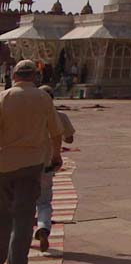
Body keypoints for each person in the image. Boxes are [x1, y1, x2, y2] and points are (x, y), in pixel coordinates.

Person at [0, 60, 61, 264]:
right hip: (31, 164)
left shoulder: (4, 97)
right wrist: (56, 156)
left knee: (3, 215)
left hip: (4, 164)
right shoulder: (43, 98)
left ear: (14, 76)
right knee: (24, 218)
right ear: (35, 77)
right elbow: (56, 132)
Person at [36, 86, 73, 252]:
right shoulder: (60, 116)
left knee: (23, 200)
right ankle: (43, 227)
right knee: (44, 201)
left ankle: (20, 235)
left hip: (27, 162)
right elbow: (69, 139)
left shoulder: (30, 117)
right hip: (48, 163)